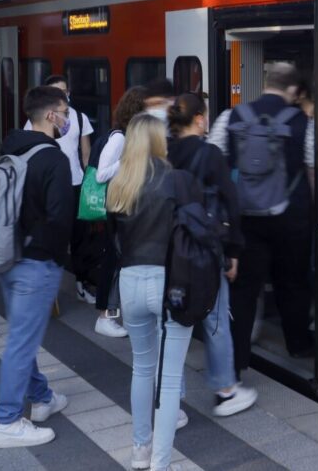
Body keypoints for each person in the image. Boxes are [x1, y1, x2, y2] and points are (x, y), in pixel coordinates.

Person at [107, 113, 201, 471]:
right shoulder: (178, 181)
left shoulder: (119, 182)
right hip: (170, 284)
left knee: (142, 369)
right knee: (170, 376)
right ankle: (160, 464)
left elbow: (114, 240)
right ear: (160, 141)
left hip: (130, 282)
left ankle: (139, 450)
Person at [0, 85, 75, 448]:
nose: (67, 118)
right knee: (21, 345)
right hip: (36, 264)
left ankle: (42, 399)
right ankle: (6, 421)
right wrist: (55, 256)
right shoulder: (54, 160)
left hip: (7, 257)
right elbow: (60, 220)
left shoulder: (11, 150)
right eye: (65, 111)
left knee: (22, 338)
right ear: (52, 115)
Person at [167, 93, 258, 417]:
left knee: (173, 321)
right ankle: (225, 390)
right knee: (217, 318)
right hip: (205, 248)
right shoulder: (210, 154)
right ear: (200, 119)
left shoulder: (163, 151)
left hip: (170, 248)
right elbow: (231, 203)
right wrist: (233, 251)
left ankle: (170, 401)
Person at [226, 63, 315, 379]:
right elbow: (312, 167)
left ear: (266, 83)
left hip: (246, 219)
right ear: (293, 90)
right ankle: (298, 344)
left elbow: (219, 164)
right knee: (292, 282)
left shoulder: (233, 116)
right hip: (291, 218)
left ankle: (235, 364)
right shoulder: (303, 122)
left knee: (245, 290)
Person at [23, 74, 94, 290]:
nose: (63, 95)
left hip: (76, 183)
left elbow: (86, 153)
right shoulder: (34, 125)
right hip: (50, 185)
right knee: (56, 231)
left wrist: (89, 184)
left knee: (80, 236)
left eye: (64, 91)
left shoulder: (80, 118)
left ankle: (81, 281)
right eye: (57, 92)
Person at [90, 86, 147, 337]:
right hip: (116, 207)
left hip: (121, 204)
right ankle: (106, 316)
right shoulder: (120, 138)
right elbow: (102, 173)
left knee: (118, 260)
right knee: (114, 262)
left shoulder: (126, 137)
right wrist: (129, 160)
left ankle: (110, 313)